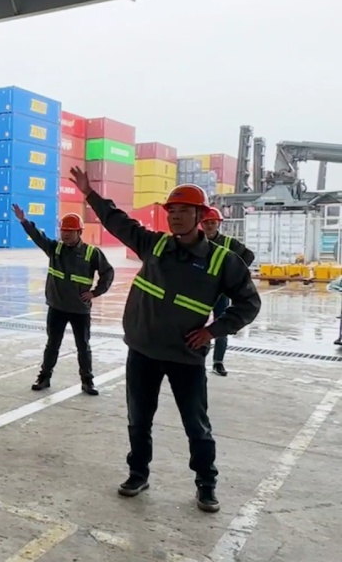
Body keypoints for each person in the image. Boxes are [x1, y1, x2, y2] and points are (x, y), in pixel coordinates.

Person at [72, 167, 261, 513]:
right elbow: (118, 222)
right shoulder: (155, 245)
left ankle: (206, 483)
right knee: (139, 419)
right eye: (171, 211)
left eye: (183, 211)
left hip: (185, 356)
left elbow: (249, 303)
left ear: (200, 216)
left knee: (196, 426)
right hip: (142, 351)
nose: (174, 217)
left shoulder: (222, 261)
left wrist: (213, 331)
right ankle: (138, 473)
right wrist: (89, 193)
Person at [14, 207, 114, 395]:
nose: (65, 234)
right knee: (52, 344)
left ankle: (87, 381)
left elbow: (107, 273)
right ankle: (44, 378)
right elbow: (38, 237)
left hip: (79, 310)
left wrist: (95, 293)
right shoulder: (55, 249)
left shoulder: (92, 253)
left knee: (83, 346)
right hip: (57, 308)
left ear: (79, 232)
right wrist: (24, 221)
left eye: (70, 231)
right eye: (63, 231)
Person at [199, 207, 255, 377]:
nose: (209, 226)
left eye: (212, 223)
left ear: (218, 224)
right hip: (199, 293)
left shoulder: (230, 243)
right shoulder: (196, 242)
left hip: (221, 295)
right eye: (206, 223)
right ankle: (196, 360)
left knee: (221, 327)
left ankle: (218, 362)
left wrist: (234, 275)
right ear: (201, 224)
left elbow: (248, 256)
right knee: (196, 326)